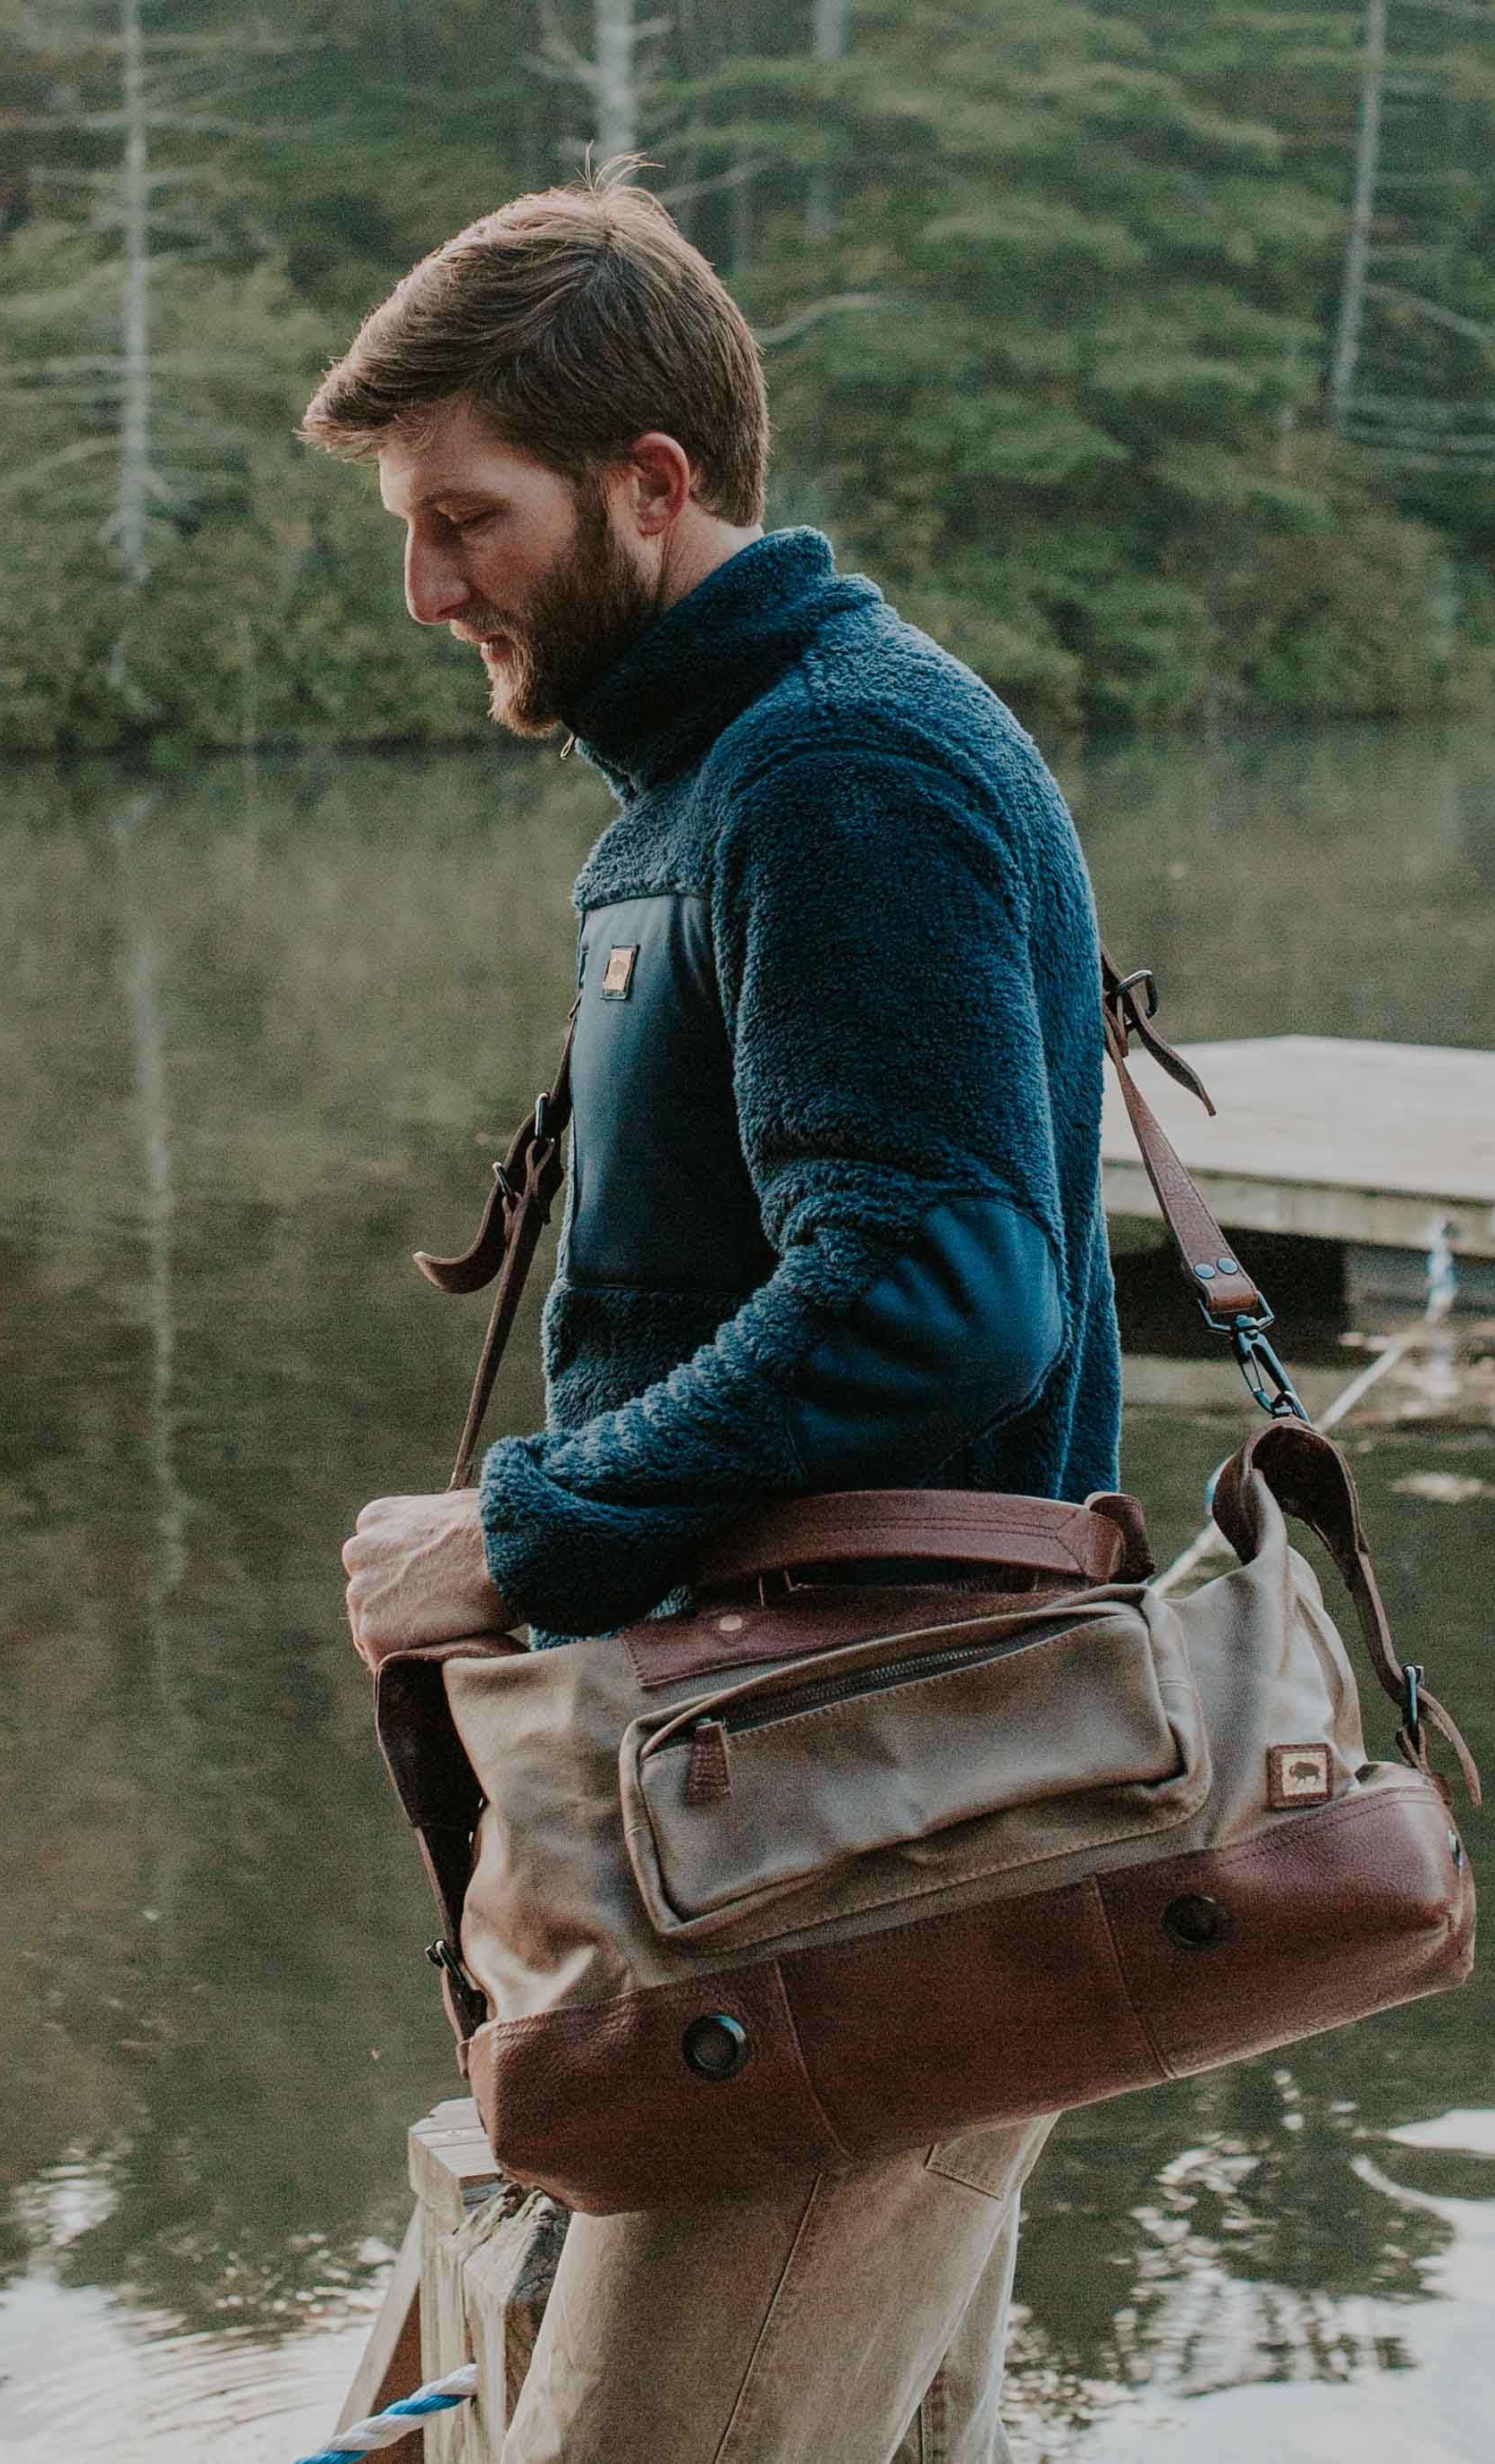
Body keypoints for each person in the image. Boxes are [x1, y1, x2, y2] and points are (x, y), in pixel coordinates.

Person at [308, 172, 1122, 2464]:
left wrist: (531, 1523)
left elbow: (945, 1282)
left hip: (873, 1854)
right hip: (790, 1827)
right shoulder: (725, 766)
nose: (424, 582)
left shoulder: (841, 769)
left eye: (465, 516)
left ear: (651, 487)